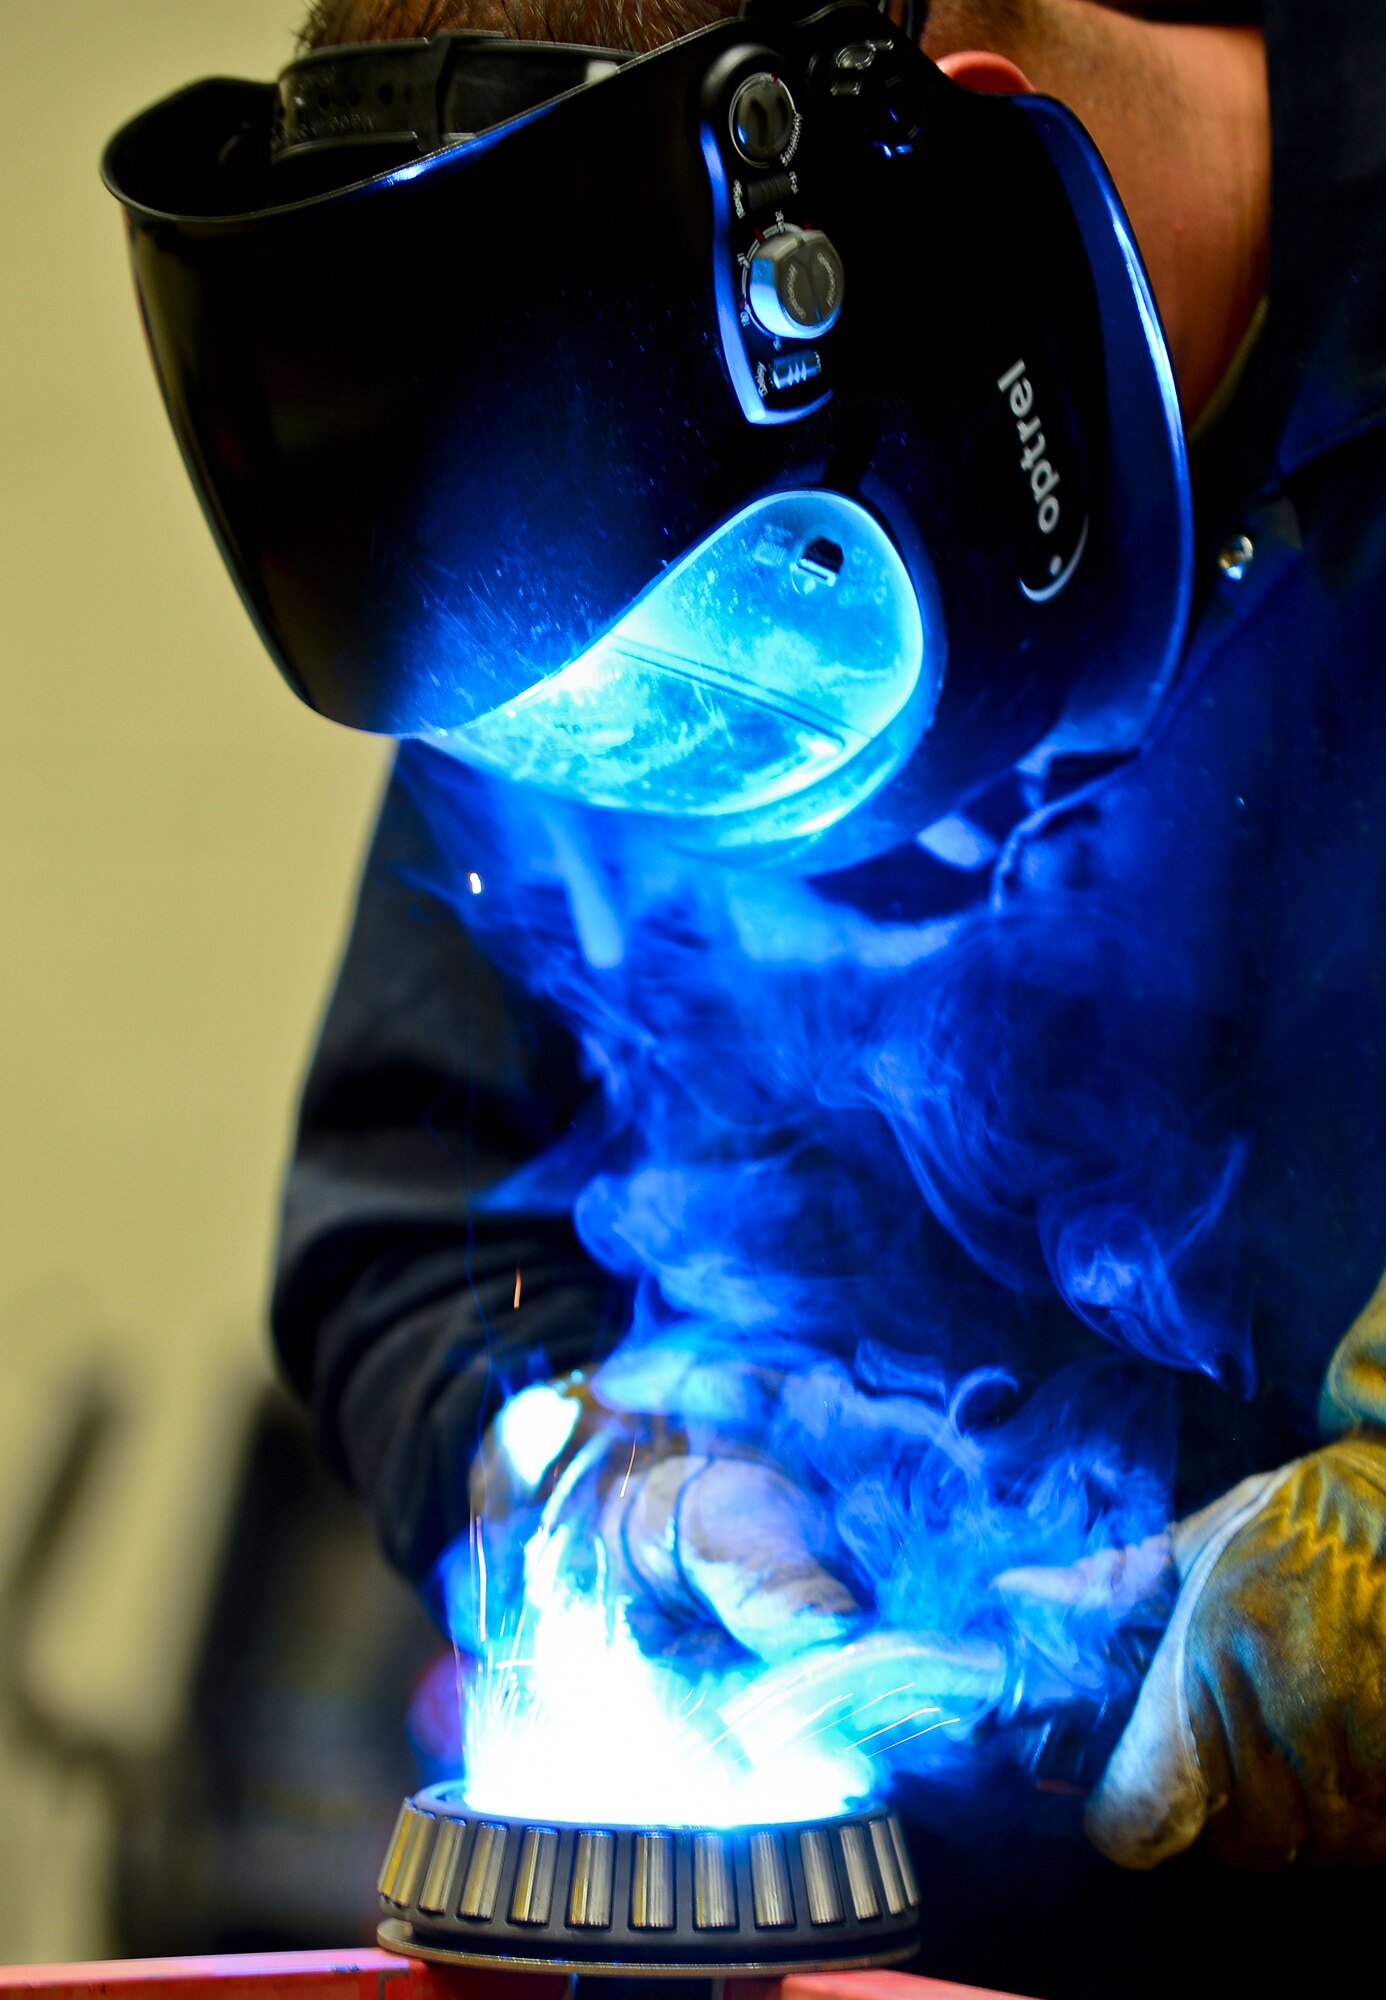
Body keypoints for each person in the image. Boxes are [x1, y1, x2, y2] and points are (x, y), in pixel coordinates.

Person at [265, 0, 1386, 1987]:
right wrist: (590, 1470)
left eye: (764, 618)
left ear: (943, 197)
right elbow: (414, 1239)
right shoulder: (578, 525)